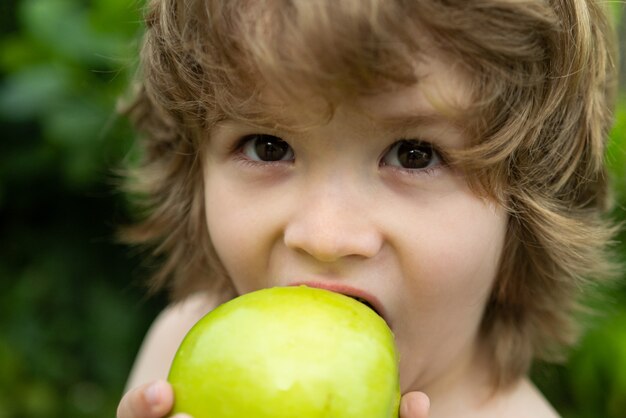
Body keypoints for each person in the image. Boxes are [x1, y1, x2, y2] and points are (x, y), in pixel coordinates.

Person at [115, 0, 619, 417]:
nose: (325, 236)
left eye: (413, 155)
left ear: (525, 215)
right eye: (268, 146)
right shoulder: (181, 345)